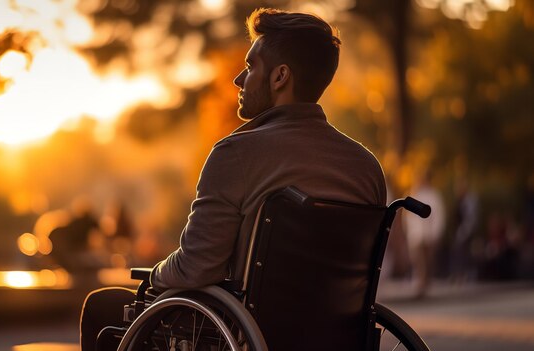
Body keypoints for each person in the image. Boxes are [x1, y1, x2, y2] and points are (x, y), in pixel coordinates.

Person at [80, 8, 387, 350]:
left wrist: (155, 273)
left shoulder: (236, 154)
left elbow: (196, 269)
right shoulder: (367, 168)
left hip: (248, 333)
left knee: (102, 306)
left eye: (250, 66)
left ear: (280, 77)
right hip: (335, 337)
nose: (238, 80)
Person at [403, 172, 445, 298]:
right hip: (416, 236)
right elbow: (407, 218)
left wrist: (436, 233)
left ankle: (425, 285)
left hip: (428, 235)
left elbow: (438, 217)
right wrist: (409, 233)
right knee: (418, 262)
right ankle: (420, 285)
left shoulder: (434, 196)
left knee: (427, 262)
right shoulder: (412, 194)